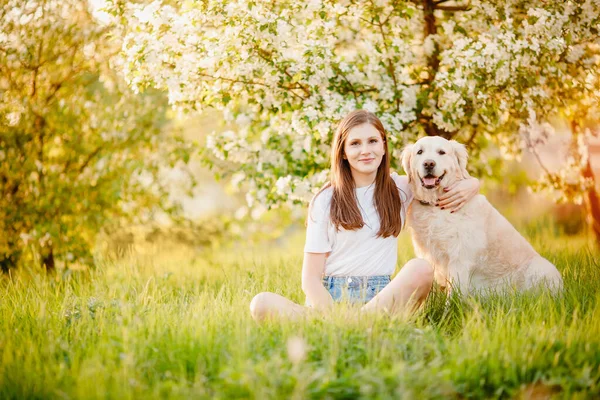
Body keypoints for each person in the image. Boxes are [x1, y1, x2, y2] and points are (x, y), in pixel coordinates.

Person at [249, 110, 480, 322]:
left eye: (372, 141)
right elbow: (310, 279)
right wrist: (331, 316)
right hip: (330, 301)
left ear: (383, 146)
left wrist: (474, 184)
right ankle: (352, 325)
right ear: (344, 153)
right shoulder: (326, 200)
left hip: (381, 299)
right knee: (261, 303)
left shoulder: (401, 188)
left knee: (420, 268)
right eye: (355, 144)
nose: (365, 150)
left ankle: (360, 323)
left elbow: (449, 180)